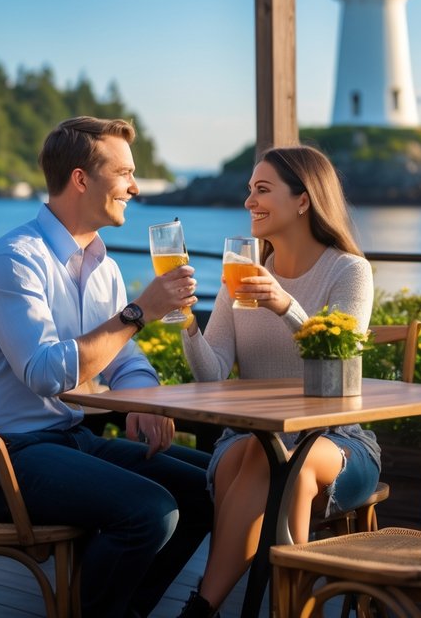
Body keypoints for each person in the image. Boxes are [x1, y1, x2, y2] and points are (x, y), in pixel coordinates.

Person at [0, 116, 212, 618]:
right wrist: (138, 312)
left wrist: (143, 400)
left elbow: (125, 356)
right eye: (125, 173)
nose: (135, 186)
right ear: (81, 179)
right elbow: (44, 371)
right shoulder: (14, 261)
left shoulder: (102, 265)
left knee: (209, 487)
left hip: (65, 438)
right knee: (150, 512)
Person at [177, 145, 377, 618]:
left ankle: (205, 607)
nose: (249, 201)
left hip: (338, 441)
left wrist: (285, 306)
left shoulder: (349, 271)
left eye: (262, 190)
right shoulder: (240, 275)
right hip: (247, 441)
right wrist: (184, 320)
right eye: (249, 191)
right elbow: (212, 372)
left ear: (303, 200)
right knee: (258, 453)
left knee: (289, 460)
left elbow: (339, 356)